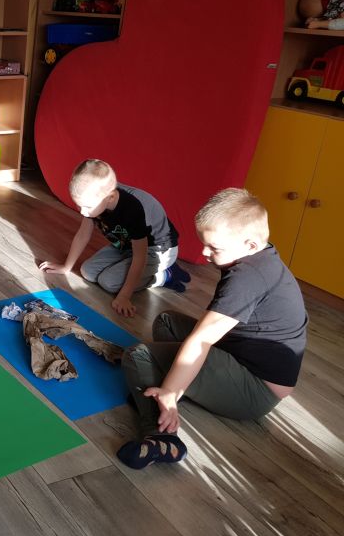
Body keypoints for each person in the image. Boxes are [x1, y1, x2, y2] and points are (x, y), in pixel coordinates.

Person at [116, 188, 308, 469]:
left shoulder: (249, 277)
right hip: (238, 355)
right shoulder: (258, 256)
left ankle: (162, 437)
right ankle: (175, 387)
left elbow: (202, 340)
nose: (204, 253)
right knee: (167, 321)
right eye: (204, 244)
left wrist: (170, 391)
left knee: (138, 356)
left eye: (214, 248)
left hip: (256, 390)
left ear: (250, 244)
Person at [39, 159, 189, 318]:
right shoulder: (96, 199)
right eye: (79, 205)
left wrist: (124, 296)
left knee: (109, 283)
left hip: (158, 250)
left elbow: (140, 256)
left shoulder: (133, 209)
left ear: (110, 197)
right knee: (87, 272)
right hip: (127, 244)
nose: (82, 212)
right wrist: (66, 267)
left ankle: (166, 275)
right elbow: (83, 234)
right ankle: (138, 269)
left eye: (87, 207)